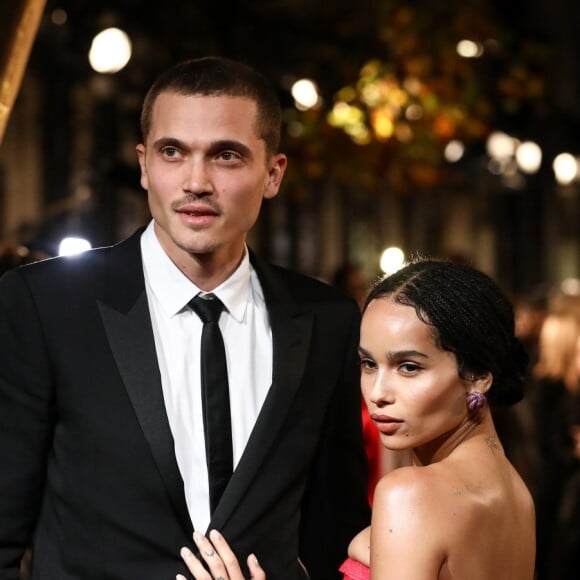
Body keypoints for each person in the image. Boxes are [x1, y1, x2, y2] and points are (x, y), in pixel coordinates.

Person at [0, 56, 370, 579]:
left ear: (273, 174)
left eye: (226, 156)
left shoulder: (326, 320)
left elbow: (336, 533)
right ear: (145, 164)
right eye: (173, 152)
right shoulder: (45, 305)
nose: (197, 181)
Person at [180, 258, 536, 579]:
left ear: (478, 375)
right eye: (368, 364)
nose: (378, 391)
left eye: (408, 367)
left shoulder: (410, 495)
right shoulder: (516, 493)